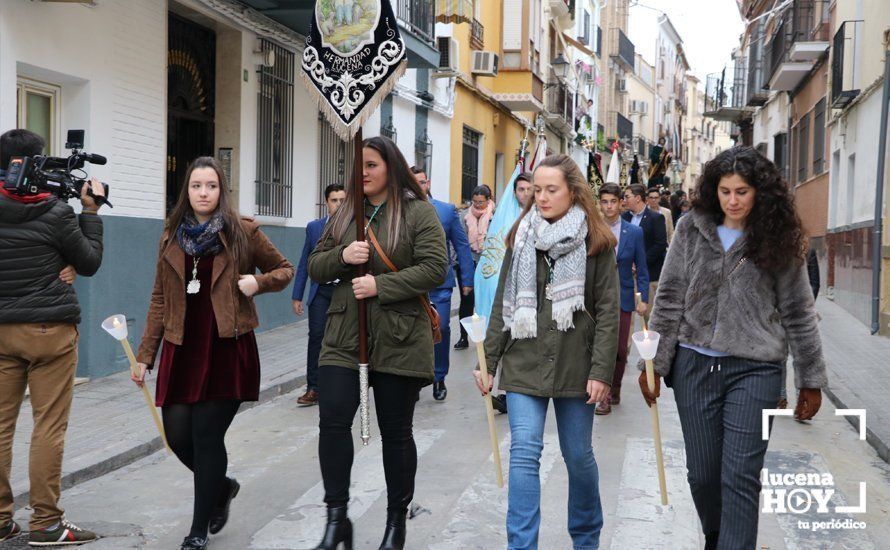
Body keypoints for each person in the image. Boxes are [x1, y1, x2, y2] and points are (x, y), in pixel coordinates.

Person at [639, 146, 827, 549]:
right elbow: (669, 296)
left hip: (756, 370)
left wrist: (810, 379)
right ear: (714, 191)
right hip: (694, 366)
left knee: (740, 474)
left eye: (742, 191)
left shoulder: (778, 236)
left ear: (760, 192)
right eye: (725, 191)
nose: (733, 200)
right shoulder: (692, 228)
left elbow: (798, 310)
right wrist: (651, 364)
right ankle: (718, 537)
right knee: (703, 474)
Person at [134, 157, 294, 550]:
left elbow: (285, 269)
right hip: (181, 348)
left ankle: (197, 529)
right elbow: (159, 298)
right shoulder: (171, 233)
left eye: (211, 186)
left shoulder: (242, 231)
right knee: (177, 437)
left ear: (222, 190)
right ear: (186, 191)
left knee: (206, 439)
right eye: (196, 186)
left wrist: (258, 282)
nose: (203, 193)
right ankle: (222, 487)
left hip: (226, 348)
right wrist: (145, 355)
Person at [308, 136, 447, 550]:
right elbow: (315, 265)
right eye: (358, 166)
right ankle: (337, 520)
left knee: (395, 431)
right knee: (332, 420)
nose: (362, 173)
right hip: (344, 334)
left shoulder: (418, 212)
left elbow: (436, 268)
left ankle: (395, 523)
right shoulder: (346, 212)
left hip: (399, 337)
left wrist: (381, 284)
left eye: (370, 165)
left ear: (390, 167)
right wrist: (343, 257)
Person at [475, 154, 619, 549]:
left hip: (578, 364)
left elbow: (608, 311)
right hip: (525, 360)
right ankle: (521, 545)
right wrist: (486, 363)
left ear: (573, 192)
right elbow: (504, 305)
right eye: (536, 190)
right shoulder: (520, 235)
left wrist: (602, 371)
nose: (541, 197)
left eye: (551, 190)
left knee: (578, 456)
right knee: (523, 452)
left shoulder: (598, 241)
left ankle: (586, 539)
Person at [0, 129, 105, 546]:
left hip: (1, 331)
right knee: (48, 427)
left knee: (1, 426)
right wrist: (91, 212)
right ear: (36, 164)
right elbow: (91, 261)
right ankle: (46, 523)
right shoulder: (57, 213)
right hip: (49, 330)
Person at [411, 166, 473, 401]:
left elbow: (461, 245)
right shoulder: (400, 210)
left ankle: (439, 377)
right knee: (414, 332)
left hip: (440, 284)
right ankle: (415, 378)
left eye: (422, 182)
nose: (419, 186)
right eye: (414, 182)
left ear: (428, 183)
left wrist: (467, 279)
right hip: (411, 284)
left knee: (442, 328)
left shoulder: (446, 211)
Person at [595, 183, 649, 415]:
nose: (609, 206)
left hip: (623, 297)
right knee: (599, 348)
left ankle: (614, 386)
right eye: (604, 201)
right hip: (596, 297)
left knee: (619, 350)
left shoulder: (634, 232)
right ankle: (603, 395)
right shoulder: (592, 229)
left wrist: (643, 298)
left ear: (621, 203)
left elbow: (643, 269)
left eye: (613, 201)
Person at [292, 183, 347, 406]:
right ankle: (313, 388)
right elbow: (305, 263)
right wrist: (297, 296)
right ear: (327, 203)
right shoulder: (314, 228)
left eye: (343, 200)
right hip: (321, 291)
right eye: (334, 200)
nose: (339, 205)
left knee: (343, 341)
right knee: (316, 337)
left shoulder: (355, 227)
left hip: (345, 291)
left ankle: (340, 387)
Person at [455, 185, 494, 350]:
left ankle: (489, 337)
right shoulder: (463, 216)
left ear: (488, 200)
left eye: (481, 202)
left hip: (487, 262)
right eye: (475, 201)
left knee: (486, 299)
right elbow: (457, 240)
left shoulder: (495, 216)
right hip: (467, 262)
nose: (478, 205)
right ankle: (464, 337)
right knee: (466, 300)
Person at [622, 184, 666, 321]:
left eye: (627, 197)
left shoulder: (655, 218)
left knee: (649, 316)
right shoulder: (624, 218)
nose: (624, 200)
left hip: (649, 275)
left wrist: (639, 263)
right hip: (627, 276)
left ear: (637, 198)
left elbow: (660, 245)